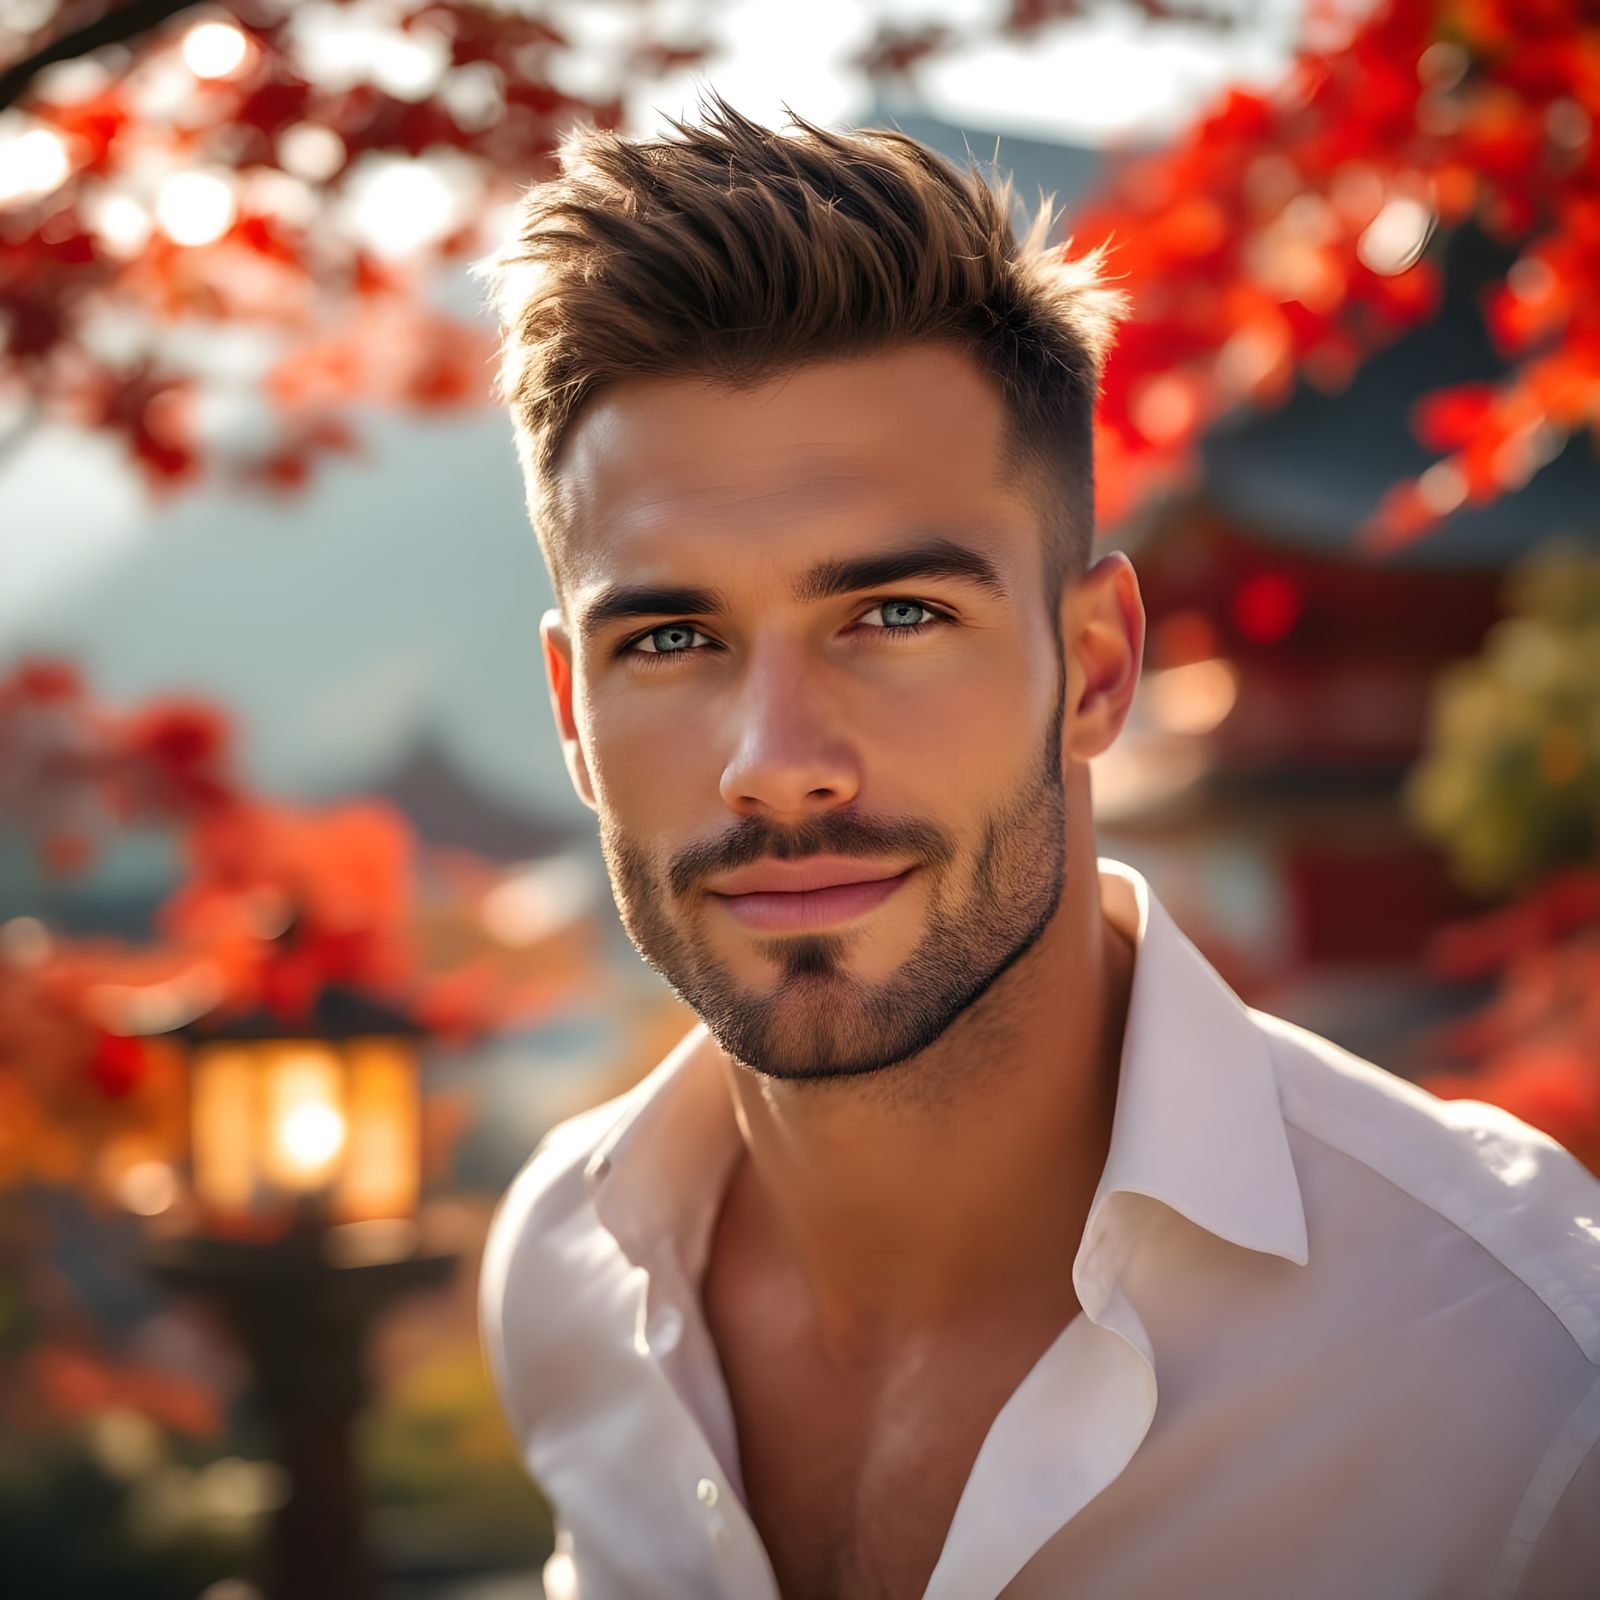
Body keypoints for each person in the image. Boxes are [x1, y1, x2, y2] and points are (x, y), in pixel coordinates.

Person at [471, 92, 1600, 1600]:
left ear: (1099, 666)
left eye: (895, 616)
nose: (776, 765)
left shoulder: (1520, 1364)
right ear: (569, 707)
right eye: (672, 637)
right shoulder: (564, 1269)